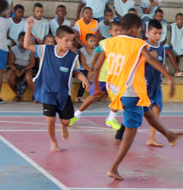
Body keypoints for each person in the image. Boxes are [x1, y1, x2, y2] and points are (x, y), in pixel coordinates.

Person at [91, 13, 177, 180]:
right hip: (130, 92)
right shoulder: (137, 43)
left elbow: (96, 67)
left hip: (116, 90)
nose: (140, 33)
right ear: (133, 29)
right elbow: (151, 60)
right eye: (139, 29)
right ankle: (114, 167)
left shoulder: (108, 42)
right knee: (131, 131)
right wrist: (169, 77)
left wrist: (96, 87)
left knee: (147, 111)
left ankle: (169, 135)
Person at [25, 18, 90, 152]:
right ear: (57, 39)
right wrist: (28, 27)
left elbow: (76, 71)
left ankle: (64, 126)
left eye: (71, 40)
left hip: (63, 93)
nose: (69, 43)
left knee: (66, 121)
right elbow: (26, 45)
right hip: (47, 91)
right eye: (66, 40)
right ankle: (53, 142)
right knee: (50, 119)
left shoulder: (73, 57)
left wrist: (83, 78)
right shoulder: (46, 50)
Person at [70, 20, 122, 130]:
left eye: (120, 30)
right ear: (110, 31)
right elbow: (96, 58)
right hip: (102, 76)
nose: (118, 33)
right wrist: (91, 71)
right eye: (116, 30)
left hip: (115, 78)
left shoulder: (124, 45)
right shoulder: (104, 43)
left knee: (117, 99)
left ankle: (111, 119)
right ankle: (76, 115)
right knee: (92, 96)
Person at [146, 9, 183, 76]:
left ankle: (177, 70)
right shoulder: (148, 24)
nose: (160, 18)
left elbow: (164, 38)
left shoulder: (164, 25)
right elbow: (144, 36)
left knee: (169, 51)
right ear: (154, 16)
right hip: (151, 43)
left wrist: (159, 45)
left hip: (161, 44)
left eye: (161, 16)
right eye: (158, 16)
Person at [7, 32, 35, 102]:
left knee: (28, 77)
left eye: (26, 40)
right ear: (18, 40)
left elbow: (32, 63)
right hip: (16, 67)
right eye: (22, 40)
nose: (24, 42)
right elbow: (10, 63)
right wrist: (16, 70)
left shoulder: (30, 50)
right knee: (10, 77)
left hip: (27, 67)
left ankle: (35, 95)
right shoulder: (13, 49)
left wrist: (24, 70)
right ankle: (17, 94)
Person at [76, 33, 98, 102]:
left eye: (94, 41)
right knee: (85, 78)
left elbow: (97, 61)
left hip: (93, 69)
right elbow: (84, 63)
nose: (93, 43)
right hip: (85, 69)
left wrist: (93, 70)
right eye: (91, 41)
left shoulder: (97, 50)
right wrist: (90, 71)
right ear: (86, 41)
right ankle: (79, 96)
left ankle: (94, 95)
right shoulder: (82, 50)